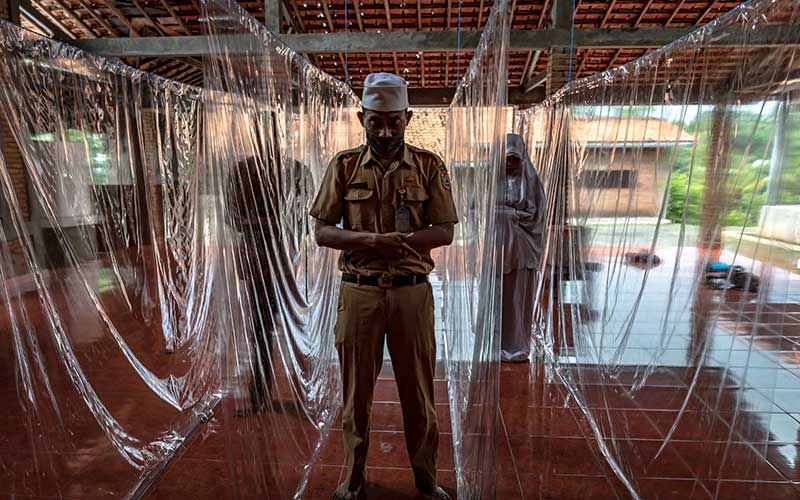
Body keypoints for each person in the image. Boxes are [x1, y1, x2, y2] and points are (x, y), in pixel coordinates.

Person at [310, 72, 457, 500]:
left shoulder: (430, 166)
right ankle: (353, 478)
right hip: (360, 290)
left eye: (394, 121)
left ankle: (426, 478)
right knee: (356, 392)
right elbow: (322, 231)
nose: (385, 131)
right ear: (362, 117)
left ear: (407, 117)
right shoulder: (343, 165)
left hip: (412, 292)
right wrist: (372, 241)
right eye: (376, 122)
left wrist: (404, 243)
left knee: (419, 389)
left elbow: (445, 230)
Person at [499, 133, 546, 363]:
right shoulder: (492, 181)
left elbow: (536, 216)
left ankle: (517, 346)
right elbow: (475, 212)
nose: (509, 163)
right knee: (498, 299)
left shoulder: (530, 181)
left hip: (521, 253)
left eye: (514, 159)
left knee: (518, 300)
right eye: (506, 158)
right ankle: (495, 343)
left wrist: (509, 216)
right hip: (498, 254)